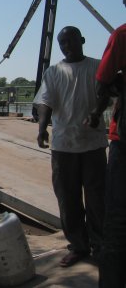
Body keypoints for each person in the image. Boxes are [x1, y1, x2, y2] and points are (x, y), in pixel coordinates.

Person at [34, 26, 108, 267]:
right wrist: (42, 126)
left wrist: (97, 113)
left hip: (93, 144)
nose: (67, 46)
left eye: (71, 41)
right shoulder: (54, 72)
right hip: (63, 145)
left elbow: (108, 92)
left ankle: (100, 244)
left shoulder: (97, 67)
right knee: (68, 198)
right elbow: (45, 102)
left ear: (82, 40)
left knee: (97, 198)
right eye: (62, 43)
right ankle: (78, 245)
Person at [88, 0, 126, 287]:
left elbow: (103, 84)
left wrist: (116, 86)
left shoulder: (122, 35)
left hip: (124, 141)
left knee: (116, 217)